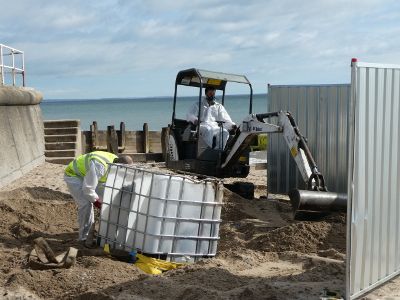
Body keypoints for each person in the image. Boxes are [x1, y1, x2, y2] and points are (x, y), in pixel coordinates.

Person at [64, 151, 133, 246]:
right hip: (75, 175)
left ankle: (104, 232)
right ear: (118, 166)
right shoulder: (100, 166)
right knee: (86, 204)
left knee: (108, 198)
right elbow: (88, 188)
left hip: (89, 176)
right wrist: (97, 202)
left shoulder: (115, 161)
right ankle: (84, 237)